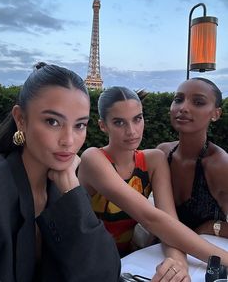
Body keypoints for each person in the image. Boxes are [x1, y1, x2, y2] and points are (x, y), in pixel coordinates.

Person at [78, 86, 228, 282]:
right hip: (83, 261)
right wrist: (224, 259)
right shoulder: (93, 159)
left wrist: (178, 264)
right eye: (119, 122)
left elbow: (167, 222)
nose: (131, 131)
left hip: (128, 261)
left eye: (137, 119)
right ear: (102, 125)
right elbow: (150, 218)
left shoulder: (154, 160)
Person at [0, 62, 120, 282]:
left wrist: (71, 186)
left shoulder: (62, 187)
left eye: (80, 125)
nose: (69, 141)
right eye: (52, 122)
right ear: (21, 119)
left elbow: (105, 275)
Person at [157, 77, 228, 237]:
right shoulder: (163, 153)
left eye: (198, 102)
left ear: (216, 114)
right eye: (178, 99)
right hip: (157, 253)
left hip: (202, 258)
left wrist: (210, 227)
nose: (183, 107)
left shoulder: (220, 164)